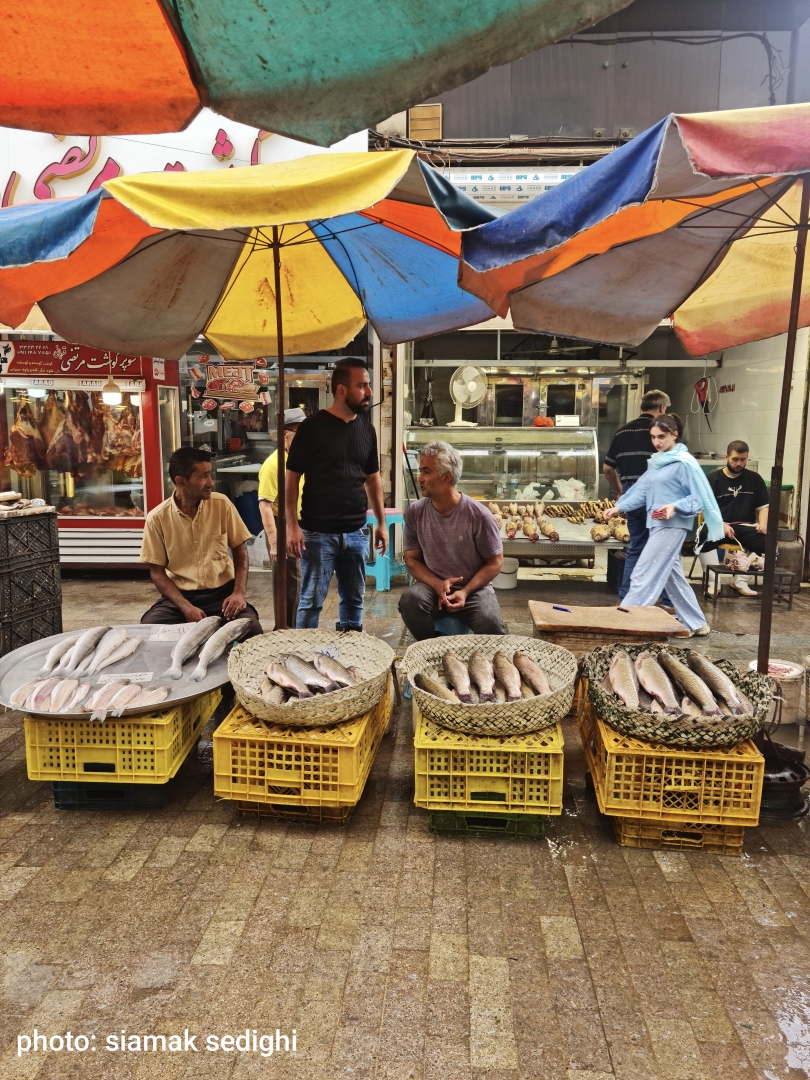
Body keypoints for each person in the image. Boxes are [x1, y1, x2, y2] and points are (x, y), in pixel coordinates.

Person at [285, 358, 387, 631]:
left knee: (354, 601)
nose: (369, 392)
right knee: (311, 602)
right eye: (362, 385)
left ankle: (349, 652)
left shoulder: (367, 430)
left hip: (356, 533)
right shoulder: (311, 428)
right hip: (318, 534)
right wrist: (292, 525)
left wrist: (380, 522)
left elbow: (372, 478)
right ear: (341, 390)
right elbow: (292, 478)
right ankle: (303, 656)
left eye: (369, 385)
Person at [604, 414, 723, 636]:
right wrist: (618, 507)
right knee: (673, 577)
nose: (657, 441)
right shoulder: (658, 462)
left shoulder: (684, 463)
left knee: (643, 571)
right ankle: (697, 623)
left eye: (662, 436)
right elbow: (641, 490)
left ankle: (626, 622)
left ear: (674, 434)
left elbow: (697, 499)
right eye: (653, 437)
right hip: (656, 524)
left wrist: (674, 507)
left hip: (673, 525)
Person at [140, 446, 262, 635]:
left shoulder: (222, 505)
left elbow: (240, 551)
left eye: (210, 475)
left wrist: (238, 593)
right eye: (203, 476)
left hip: (223, 594)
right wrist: (185, 607)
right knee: (150, 630)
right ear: (181, 481)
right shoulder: (157, 518)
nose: (211, 483)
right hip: (180, 596)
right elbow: (157, 573)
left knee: (251, 628)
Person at [399, 441, 505, 640]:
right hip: (432, 586)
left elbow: (496, 562)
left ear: (446, 477)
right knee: (410, 601)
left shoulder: (479, 515)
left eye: (426, 472)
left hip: (474, 590)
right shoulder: (416, 511)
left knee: (491, 624)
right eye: (420, 471)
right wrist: (437, 584)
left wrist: (465, 592)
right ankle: (430, 648)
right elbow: (411, 559)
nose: (419, 478)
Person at [603, 389, 672, 606]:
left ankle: (626, 599)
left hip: (633, 492)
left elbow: (607, 469)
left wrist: (621, 490)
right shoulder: (663, 433)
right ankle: (669, 602)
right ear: (661, 408)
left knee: (635, 547)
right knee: (664, 549)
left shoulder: (622, 432)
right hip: (658, 495)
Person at [696, 441, 770, 596]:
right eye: (735, 459)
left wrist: (763, 524)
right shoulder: (713, 479)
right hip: (717, 524)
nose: (739, 464)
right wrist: (721, 524)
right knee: (703, 536)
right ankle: (712, 581)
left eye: (743, 460)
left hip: (745, 526)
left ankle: (741, 581)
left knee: (771, 545)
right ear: (726, 457)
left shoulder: (755, 479)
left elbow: (763, 507)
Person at [258, 407, 306, 626]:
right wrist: (274, 541)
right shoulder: (273, 464)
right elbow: (265, 506)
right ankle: (285, 627)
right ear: (285, 434)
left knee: (297, 579)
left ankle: (294, 624)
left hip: (299, 522)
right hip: (281, 524)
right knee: (287, 580)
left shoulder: (297, 458)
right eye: (299, 432)